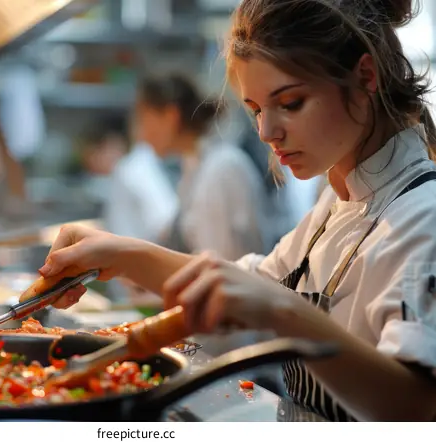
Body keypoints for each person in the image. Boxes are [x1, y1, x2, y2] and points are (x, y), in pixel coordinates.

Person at [36, 0, 436, 422]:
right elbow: (251, 284)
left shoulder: (422, 217)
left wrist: (284, 310)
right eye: (257, 110)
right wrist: (119, 255)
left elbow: (420, 411)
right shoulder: (340, 200)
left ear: (365, 76)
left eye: (291, 102)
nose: (267, 132)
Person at [134, 72, 274, 260]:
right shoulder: (194, 166)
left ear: (170, 116)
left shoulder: (222, 169)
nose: (142, 135)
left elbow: (225, 265)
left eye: (145, 120)